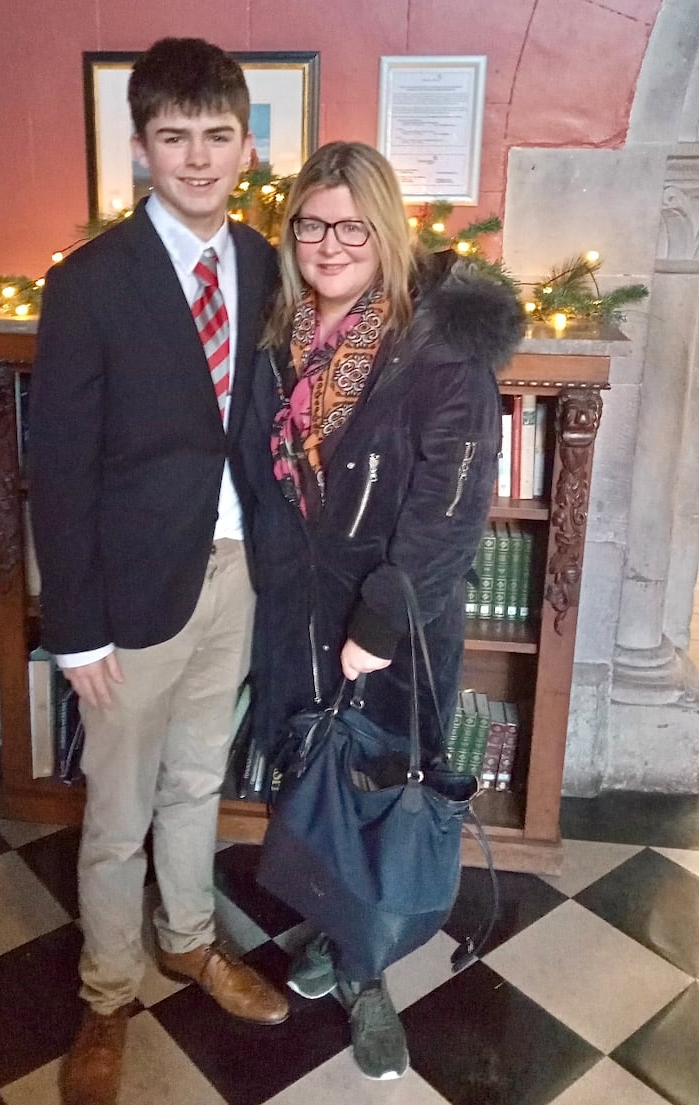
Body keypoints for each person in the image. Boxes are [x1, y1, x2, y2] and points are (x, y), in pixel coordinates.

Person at [29, 37, 287, 1105]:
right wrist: (77, 629)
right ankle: (105, 995)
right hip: (132, 593)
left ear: (244, 146)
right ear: (140, 148)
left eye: (215, 136)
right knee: (118, 804)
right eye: (172, 137)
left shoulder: (265, 261)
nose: (195, 157)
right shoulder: (90, 281)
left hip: (234, 574)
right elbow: (58, 467)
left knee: (196, 780)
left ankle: (185, 939)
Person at [241, 141, 524, 1081]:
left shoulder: (436, 349)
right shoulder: (279, 334)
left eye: (352, 224)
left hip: (387, 621)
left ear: (387, 229)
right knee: (310, 774)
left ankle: (369, 976)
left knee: (379, 790)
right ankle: (331, 926)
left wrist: (381, 621)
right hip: (292, 603)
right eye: (312, 223)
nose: (330, 243)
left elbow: (451, 503)